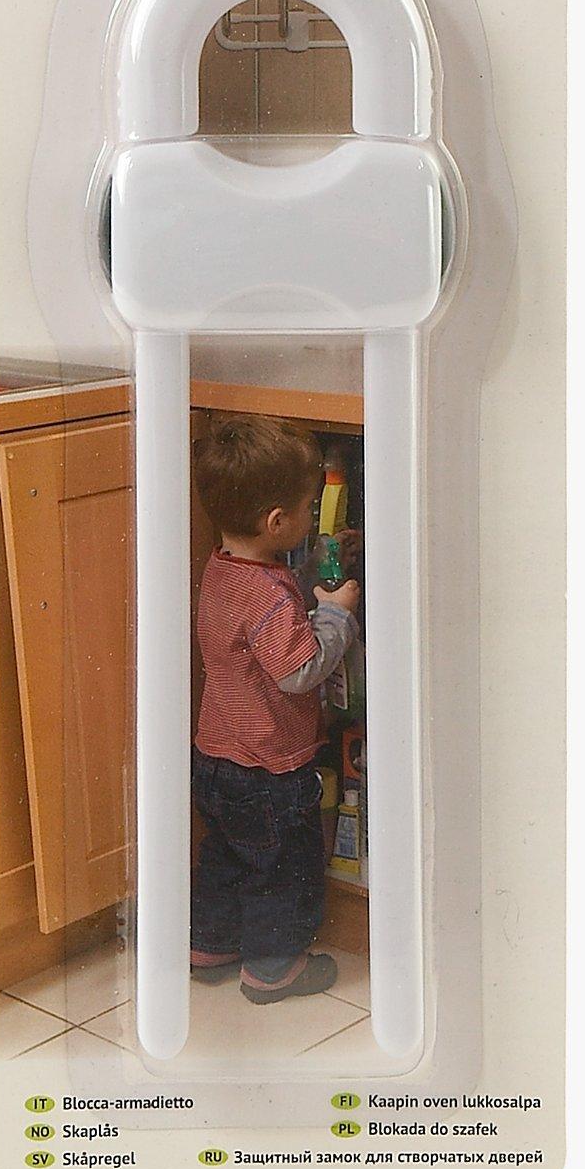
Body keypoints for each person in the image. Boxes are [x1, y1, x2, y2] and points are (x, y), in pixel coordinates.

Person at [188, 416, 360, 1002]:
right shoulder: (268, 597)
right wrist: (336, 617)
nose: (313, 515)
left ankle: (210, 943)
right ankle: (273, 969)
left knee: (226, 856)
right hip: (270, 767)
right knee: (282, 870)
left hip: (216, 756)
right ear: (277, 522)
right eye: (310, 508)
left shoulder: (224, 567)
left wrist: (313, 572)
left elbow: (267, 617)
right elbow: (298, 670)